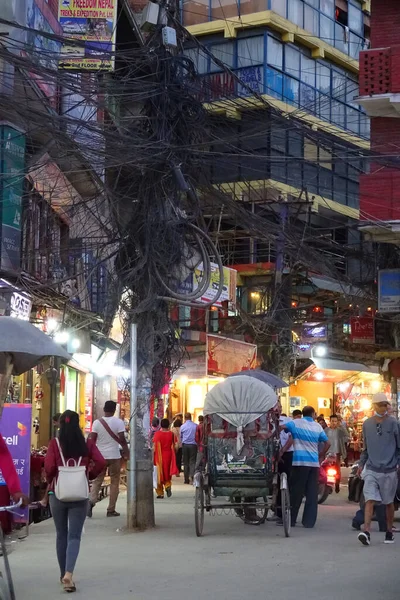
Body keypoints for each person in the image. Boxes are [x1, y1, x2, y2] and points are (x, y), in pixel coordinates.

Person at [45, 410, 105, 593]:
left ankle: (63, 573)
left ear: (60, 425)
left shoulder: (55, 444)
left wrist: (52, 480)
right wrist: (89, 474)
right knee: (74, 536)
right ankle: (69, 574)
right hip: (80, 495)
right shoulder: (87, 444)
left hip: (58, 494)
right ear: (78, 425)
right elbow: (101, 462)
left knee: (61, 534)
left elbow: (49, 467)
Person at [357, 393, 400, 546]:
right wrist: (361, 464)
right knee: (369, 500)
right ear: (374, 405)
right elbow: (366, 448)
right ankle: (366, 532)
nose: (384, 407)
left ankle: (389, 532)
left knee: (389, 503)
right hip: (371, 468)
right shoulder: (367, 424)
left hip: (389, 470)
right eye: (381, 404)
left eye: (385, 404)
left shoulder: (394, 423)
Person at [283, 406, 330, 528]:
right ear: (313, 414)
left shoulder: (295, 423)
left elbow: (282, 428)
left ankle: (291, 520)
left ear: (303, 414)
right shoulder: (317, 426)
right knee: (312, 492)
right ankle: (309, 522)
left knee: (296, 492)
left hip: (299, 463)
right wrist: (321, 454)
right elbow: (327, 443)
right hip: (313, 464)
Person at [88, 401, 128, 517]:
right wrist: (127, 452)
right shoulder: (119, 422)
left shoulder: (96, 423)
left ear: (104, 409)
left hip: (100, 457)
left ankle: (91, 502)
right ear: (114, 410)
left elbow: (92, 440)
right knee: (114, 482)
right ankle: (111, 509)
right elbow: (122, 440)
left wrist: (91, 455)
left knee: (97, 481)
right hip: (114, 456)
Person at [153, 419, 179, 498]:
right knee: (167, 473)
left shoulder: (157, 434)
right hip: (169, 456)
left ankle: (160, 493)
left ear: (161, 425)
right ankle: (168, 485)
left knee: (159, 474)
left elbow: (154, 447)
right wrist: (175, 453)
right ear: (168, 425)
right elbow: (176, 445)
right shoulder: (172, 434)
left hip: (159, 457)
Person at [276, 414, 293, 523]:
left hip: (287, 454)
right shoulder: (267, 420)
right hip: (272, 455)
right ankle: (277, 511)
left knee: (287, 482)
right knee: (276, 483)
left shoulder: (288, 421)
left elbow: (292, 438)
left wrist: (282, 451)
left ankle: (286, 511)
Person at [325, 414, 347, 492]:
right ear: (330, 422)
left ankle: (337, 484)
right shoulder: (326, 430)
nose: (334, 423)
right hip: (327, 453)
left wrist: (341, 426)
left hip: (337, 453)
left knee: (337, 470)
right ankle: (327, 485)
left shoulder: (340, 430)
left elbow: (346, 436)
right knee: (325, 468)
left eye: (335, 421)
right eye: (332, 421)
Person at [180, 412, 198, 484]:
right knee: (192, 461)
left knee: (186, 462)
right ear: (191, 417)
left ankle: (186, 479)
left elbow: (181, 437)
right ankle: (192, 476)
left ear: (185, 418)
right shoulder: (195, 426)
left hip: (185, 445)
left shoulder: (183, 426)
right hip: (193, 445)